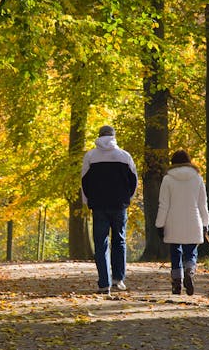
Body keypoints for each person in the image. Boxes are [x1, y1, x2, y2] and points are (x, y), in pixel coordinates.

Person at [81, 125, 138, 294]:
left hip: (98, 205)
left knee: (101, 243)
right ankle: (118, 279)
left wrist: (87, 201)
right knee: (119, 241)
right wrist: (128, 199)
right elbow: (133, 181)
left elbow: (84, 182)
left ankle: (104, 283)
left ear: (99, 136)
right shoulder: (124, 156)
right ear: (114, 136)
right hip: (119, 204)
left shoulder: (90, 156)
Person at [155, 149, 209, 295]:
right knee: (191, 251)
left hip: (173, 222)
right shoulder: (197, 178)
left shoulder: (167, 179)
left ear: (173, 163)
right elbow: (203, 204)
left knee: (175, 251)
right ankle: (190, 271)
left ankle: (177, 283)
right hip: (194, 220)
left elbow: (163, 204)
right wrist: (205, 224)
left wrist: (159, 224)